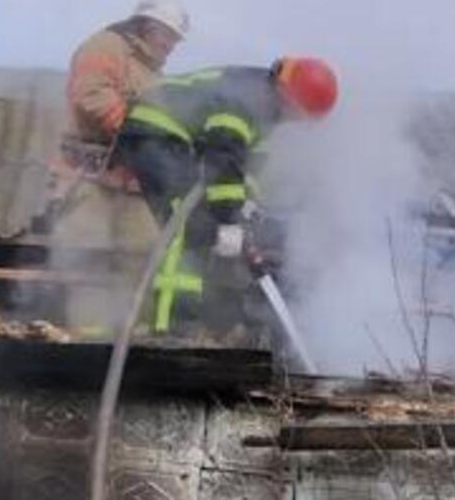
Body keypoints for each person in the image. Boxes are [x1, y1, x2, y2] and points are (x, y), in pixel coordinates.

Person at [111, 57, 338, 334]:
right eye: (301, 116)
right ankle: (171, 330)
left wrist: (247, 208)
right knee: (187, 223)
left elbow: (245, 167)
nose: (296, 122)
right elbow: (223, 156)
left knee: (202, 224)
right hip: (155, 129)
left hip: (176, 138)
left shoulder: (266, 104)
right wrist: (230, 218)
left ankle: (180, 322)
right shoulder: (249, 100)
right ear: (291, 99)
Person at [64, 0, 191, 147]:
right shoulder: (107, 46)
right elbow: (91, 94)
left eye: (175, 40)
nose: (170, 46)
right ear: (148, 27)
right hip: (88, 162)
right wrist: (135, 128)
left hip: (123, 159)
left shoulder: (151, 69)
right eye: (168, 37)